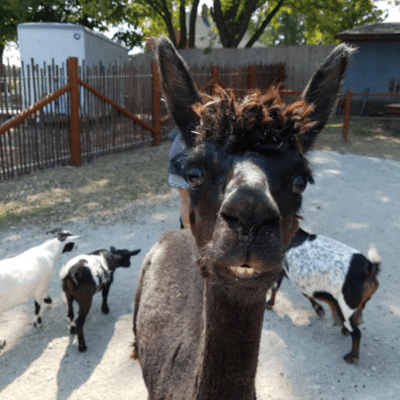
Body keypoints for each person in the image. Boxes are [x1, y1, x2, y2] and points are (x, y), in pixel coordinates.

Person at [168, 127, 190, 229]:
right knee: (189, 201)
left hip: (176, 161)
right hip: (185, 164)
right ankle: (189, 234)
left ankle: (187, 233)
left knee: (185, 200)